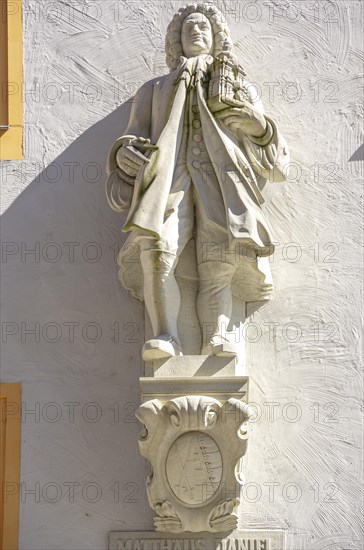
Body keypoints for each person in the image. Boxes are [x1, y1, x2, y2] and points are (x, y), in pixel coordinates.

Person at [106, 3, 289, 361]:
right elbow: (132, 137)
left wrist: (257, 126)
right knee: (157, 250)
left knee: (217, 261)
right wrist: (124, 154)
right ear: (175, 41)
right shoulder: (154, 90)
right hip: (169, 182)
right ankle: (165, 335)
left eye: (204, 27)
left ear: (216, 37)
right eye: (188, 27)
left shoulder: (236, 84)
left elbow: (275, 157)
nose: (196, 31)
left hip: (220, 182)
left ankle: (217, 334)